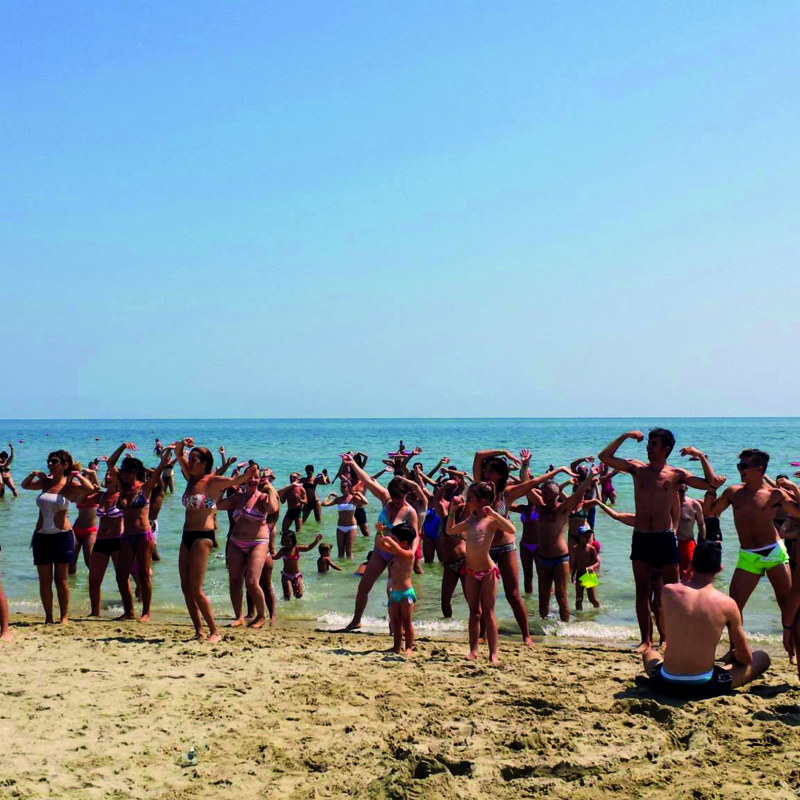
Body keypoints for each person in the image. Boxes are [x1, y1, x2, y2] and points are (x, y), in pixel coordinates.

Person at [598, 430, 724, 652]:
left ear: (666, 449)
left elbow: (710, 483)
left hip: (664, 537)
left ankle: (672, 639)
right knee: (642, 591)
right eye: (648, 443)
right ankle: (645, 640)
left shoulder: (676, 474)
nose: (648, 448)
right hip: (641, 536)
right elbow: (604, 457)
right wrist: (625, 436)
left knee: (672, 592)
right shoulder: (637, 469)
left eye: (654, 444)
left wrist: (699, 455)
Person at [642, 541, 770, 698]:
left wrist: (684, 581)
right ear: (720, 569)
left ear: (691, 565)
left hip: (666, 682)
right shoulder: (728, 604)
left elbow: (667, 625)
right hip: (703, 686)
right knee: (762, 658)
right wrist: (735, 654)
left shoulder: (668, 591)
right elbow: (745, 659)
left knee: (649, 654)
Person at [703, 449, 800, 647]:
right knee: (734, 606)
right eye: (739, 466)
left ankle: (793, 650)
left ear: (759, 469)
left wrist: (794, 488)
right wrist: (712, 488)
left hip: (774, 553)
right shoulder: (733, 492)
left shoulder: (775, 494)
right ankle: (736, 649)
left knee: (787, 606)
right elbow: (709, 511)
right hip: (748, 555)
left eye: (744, 466)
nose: (740, 470)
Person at [174, 438, 258, 642]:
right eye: (190, 459)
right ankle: (199, 630)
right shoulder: (190, 478)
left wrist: (250, 473)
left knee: (195, 588)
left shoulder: (213, 481)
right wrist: (182, 443)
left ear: (204, 464)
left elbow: (235, 481)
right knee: (185, 587)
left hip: (203, 536)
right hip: (186, 534)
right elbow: (178, 453)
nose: (190, 462)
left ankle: (214, 631)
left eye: (194, 460)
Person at [338, 455, 419, 632]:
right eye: (394, 498)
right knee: (363, 586)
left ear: (406, 494)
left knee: (392, 592)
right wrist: (353, 464)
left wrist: (411, 554)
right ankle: (356, 620)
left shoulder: (410, 511)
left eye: (399, 499)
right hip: (379, 552)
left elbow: (416, 535)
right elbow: (367, 480)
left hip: (397, 555)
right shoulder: (386, 499)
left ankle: (394, 626)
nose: (396, 502)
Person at [447, 482, 516, 663]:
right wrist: (452, 511)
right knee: (473, 612)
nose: (467, 501)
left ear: (482, 501)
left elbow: (512, 530)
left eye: (470, 498)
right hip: (470, 571)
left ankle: (493, 653)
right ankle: (473, 650)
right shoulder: (470, 521)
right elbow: (450, 530)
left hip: (488, 571)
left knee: (488, 612)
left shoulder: (490, 521)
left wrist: (494, 513)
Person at [107, 442, 173, 622]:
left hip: (143, 536)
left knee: (144, 576)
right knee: (121, 576)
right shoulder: (122, 487)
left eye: (127, 471)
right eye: (122, 470)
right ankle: (129, 611)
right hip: (127, 536)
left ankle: (146, 613)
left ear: (135, 472)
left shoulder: (145, 488)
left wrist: (168, 451)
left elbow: (160, 469)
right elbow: (110, 463)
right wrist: (122, 446)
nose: (123, 473)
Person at [20, 450, 86, 624]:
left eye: (54, 461)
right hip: (41, 536)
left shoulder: (69, 485)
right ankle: (48, 617)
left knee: (61, 580)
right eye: (49, 461)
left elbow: (90, 489)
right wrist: (33, 474)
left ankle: (64, 617)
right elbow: (24, 485)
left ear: (65, 465)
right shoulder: (45, 482)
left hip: (62, 536)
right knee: (44, 581)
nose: (49, 464)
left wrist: (77, 476)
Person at [531, 468, 599, 622]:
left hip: (560, 559)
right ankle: (543, 627)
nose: (544, 497)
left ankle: (566, 627)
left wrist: (591, 476)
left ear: (557, 495)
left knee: (561, 596)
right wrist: (524, 466)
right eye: (543, 493)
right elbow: (527, 486)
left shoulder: (562, 509)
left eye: (548, 494)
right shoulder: (540, 507)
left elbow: (579, 494)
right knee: (543, 596)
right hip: (543, 558)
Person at [216, 468, 280, 628]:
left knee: (252, 581)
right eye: (249, 477)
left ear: (260, 480)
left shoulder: (263, 498)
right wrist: (224, 486)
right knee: (235, 580)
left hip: (258, 542)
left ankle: (261, 615)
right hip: (236, 542)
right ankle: (239, 617)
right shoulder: (237, 498)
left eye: (255, 477)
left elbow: (273, 509)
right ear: (243, 479)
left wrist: (270, 488)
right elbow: (218, 505)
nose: (252, 480)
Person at [87, 474, 125, 617]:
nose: (108, 476)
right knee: (94, 579)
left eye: (111, 475)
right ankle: (95, 612)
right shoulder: (101, 496)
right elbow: (80, 497)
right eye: (106, 475)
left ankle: (128, 611)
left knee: (121, 579)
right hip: (101, 540)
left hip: (117, 540)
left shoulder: (123, 496)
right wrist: (89, 480)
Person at [376, 522, 417, 655]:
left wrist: (388, 538)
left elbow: (396, 548)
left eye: (395, 539)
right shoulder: (396, 552)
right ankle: (397, 647)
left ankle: (409, 647)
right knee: (396, 621)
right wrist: (379, 532)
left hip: (406, 593)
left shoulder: (408, 554)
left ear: (404, 543)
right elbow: (380, 545)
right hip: (395, 593)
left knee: (406, 621)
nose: (392, 541)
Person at [321, 479, 368, 559]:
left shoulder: (353, 498)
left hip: (351, 527)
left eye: (344, 487)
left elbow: (365, 502)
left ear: (349, 488)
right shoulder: (338, 499)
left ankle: (350, 566)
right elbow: (324, 504)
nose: (342, 489)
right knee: (340, 553)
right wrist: (328, 495)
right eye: (341, 487)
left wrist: (359, 494)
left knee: (349, 552)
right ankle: (341, 567)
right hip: (340, 527)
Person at [275, 531, 323, 600]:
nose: (286, 543)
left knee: (299, 595)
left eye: (288, 541)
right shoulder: (283, 550)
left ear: (293, 541)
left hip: (296, 575)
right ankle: (285, 604)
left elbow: (308, 547)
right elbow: (275, 557)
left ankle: (296, 606)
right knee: (287, 595)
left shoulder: (297, 548)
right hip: (286, 575)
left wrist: (316, 541)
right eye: (284, 541)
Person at [676, 482, 706, 580]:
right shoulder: (667, 504)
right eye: (676, 491)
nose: (678, 494)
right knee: (669, 576)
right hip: (670, 543)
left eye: (681, 491)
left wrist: (702, 544)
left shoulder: (693, 504)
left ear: (686, 490)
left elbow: (701, 524)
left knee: (688, 575)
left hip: (687, 543)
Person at [571, 527, 600, 611]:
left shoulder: (591, 549)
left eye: (589, 537)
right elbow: (575, 564)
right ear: (579, 536)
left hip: (589, 574)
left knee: (592, 599)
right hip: (579, 573)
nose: (587, 539)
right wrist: (573, 575)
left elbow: (597, 562)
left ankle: (598, 610)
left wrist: (592, 567)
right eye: (585, 537)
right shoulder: (575, 549)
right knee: (579, 599)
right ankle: (578, 616)